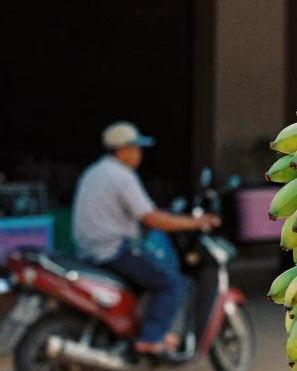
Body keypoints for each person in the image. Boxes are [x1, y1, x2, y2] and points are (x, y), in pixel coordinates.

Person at [72, 122, 221, 355]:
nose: (139, 154)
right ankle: (152, 338)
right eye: (136, 148)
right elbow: (151, 218)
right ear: (123, 150)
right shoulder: (121, 176)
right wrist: (195, 222)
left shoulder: (94, 172)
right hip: (114, 250)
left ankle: (148, 331)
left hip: (87, 251)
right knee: (172, 282)